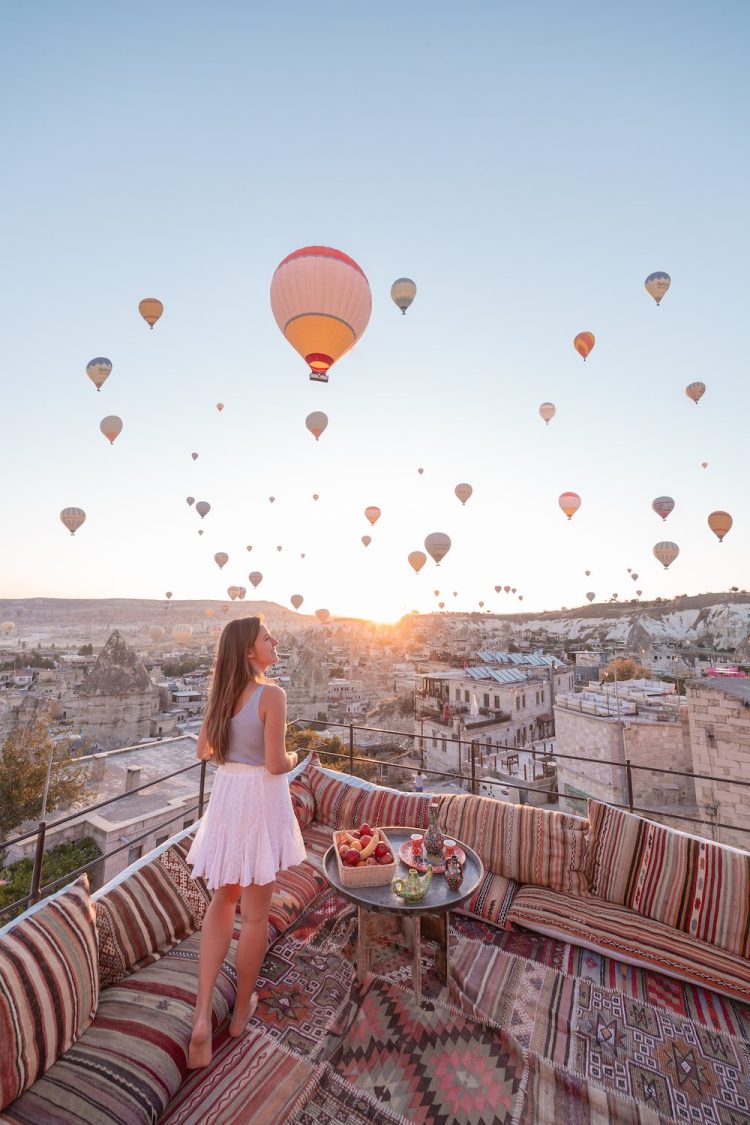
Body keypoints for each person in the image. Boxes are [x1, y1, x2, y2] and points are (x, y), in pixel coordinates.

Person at [186, 616, 305, 1069]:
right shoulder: (272, 694)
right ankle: (238, 1016)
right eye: (266, 637)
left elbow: (203, 751)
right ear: (249, 650)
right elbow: (276, 765)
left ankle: (200, 1017)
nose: (274, 641)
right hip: (258, 799)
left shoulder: (220, 694)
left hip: (228, 796)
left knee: (223, 898)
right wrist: (294, 755)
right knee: (255, 919)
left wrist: (235, 747)